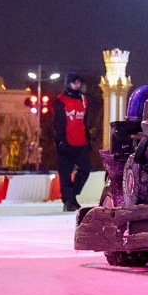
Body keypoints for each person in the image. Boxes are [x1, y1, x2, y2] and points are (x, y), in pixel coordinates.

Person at [53, 72, 91, 212]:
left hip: (82, 143)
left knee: (85, 170)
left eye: (79, 82)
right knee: (65, 174)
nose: (77, 85)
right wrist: (61, 141)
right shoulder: (61, 101)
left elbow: (85, 122)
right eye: (75, 82)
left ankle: (72, 195)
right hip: (66, 143)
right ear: (68, 84)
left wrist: (88, 140)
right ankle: (69, 202)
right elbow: (58, 122)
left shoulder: (83, 100)